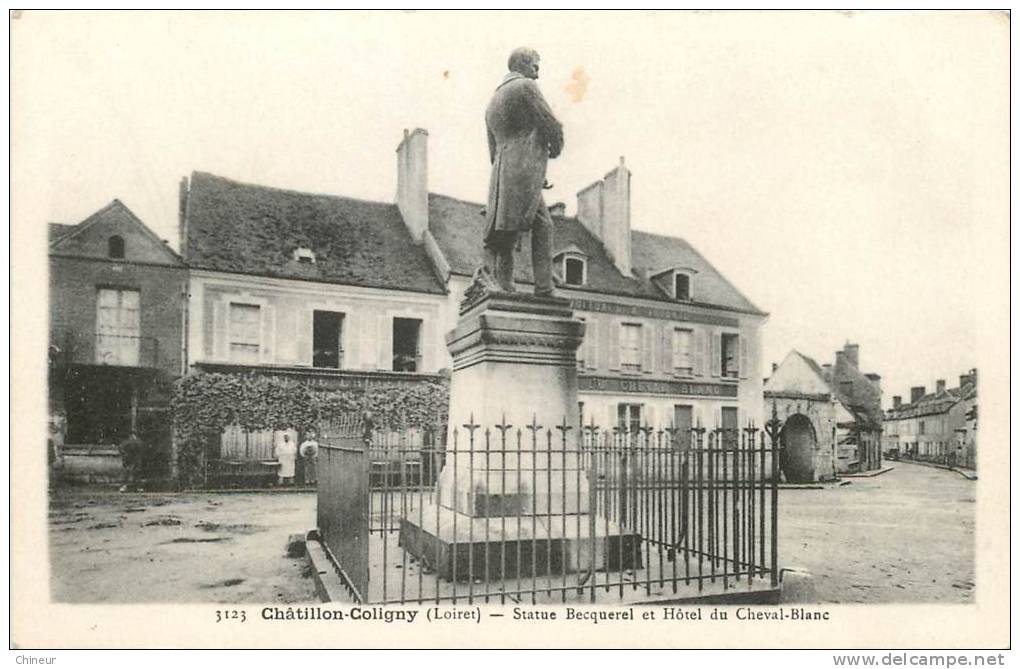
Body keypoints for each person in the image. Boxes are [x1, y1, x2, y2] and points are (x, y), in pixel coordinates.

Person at [483, 47, 563, 296]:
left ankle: (505, 285)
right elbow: (550, 122)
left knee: (505, 229)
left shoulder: (492, 102)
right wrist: (555, 150)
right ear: (523, 64)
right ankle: (544, 288)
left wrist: (530, 170)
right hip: (523, 169)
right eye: (535, 67)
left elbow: (492, 150)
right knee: (544, 225)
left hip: (502, 174)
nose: (537, 74)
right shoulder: (526, 86)